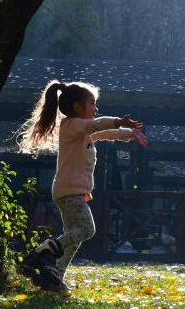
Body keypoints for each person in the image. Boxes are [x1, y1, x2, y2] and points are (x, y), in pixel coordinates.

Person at [17, 80, 148, 293]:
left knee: (73, 238)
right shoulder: (72, 126)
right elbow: (97, 125)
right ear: (78, 107)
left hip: (70, 191)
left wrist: (128, 133)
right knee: (87, 229)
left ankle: (54, 278)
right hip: (70, 192)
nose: (95, 109)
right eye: (92, 104)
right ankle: (44, 251)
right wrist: (118, 121)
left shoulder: (79, 131)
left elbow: (102, 133)